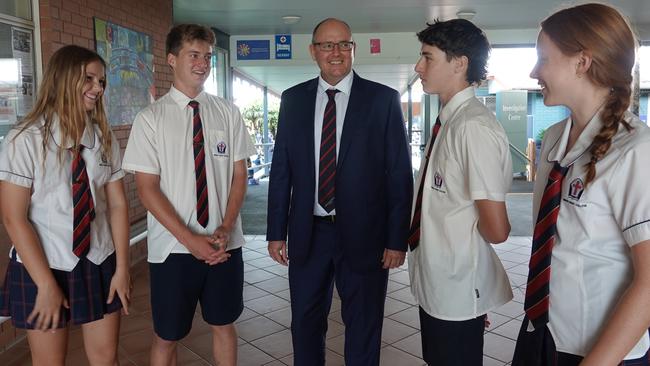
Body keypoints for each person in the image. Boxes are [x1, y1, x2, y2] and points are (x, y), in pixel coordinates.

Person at [266, 18, 412, 365]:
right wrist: (276, 232)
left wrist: (396, 240)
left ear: (353, 49)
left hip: (366, 236)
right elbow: (281, 171)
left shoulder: (383, 100)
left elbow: (399, 176)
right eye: (327, 45)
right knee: (304, 322)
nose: (336, 53)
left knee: (363, 324)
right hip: (308, 233)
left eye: (343, 44)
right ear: (313, 51)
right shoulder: (293, 100)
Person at [512, 3, 650, 365]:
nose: (533, 71)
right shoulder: (555, 139)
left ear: (582, 61)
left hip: (602, 352)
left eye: (543, 57)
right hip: (541, 333)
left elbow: (649, 284)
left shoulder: (636, 150)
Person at [122, 24, 254, 366]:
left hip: (225, 244)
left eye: (207, 56)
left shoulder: (228, 112)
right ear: (172, 59)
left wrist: (225, 226)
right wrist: (190, 240)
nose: (203, 63)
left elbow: (239, 175)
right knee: (166, 336)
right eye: (193, 55)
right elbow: (147, 189)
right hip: (172, 249)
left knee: (224, 325)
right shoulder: (150, 119)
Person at [0, 45, 131, 365]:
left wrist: (123, 268)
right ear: (62, 79)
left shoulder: (104, 138)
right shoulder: (24, 139)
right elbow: (13, 218)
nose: (98, 88)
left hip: (99, 259)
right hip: (43, 265)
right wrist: (45, 284)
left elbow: (117, 205)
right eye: (89, 79)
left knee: (106, 358)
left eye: (101, 81)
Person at [408, 19, 513, 365]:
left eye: (428, 57)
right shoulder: (450, 121)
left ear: (459, 62)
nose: (418, 67)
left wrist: (461, 243)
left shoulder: (471, 127)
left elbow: (496, 229)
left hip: (456, 283)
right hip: (438, 281)